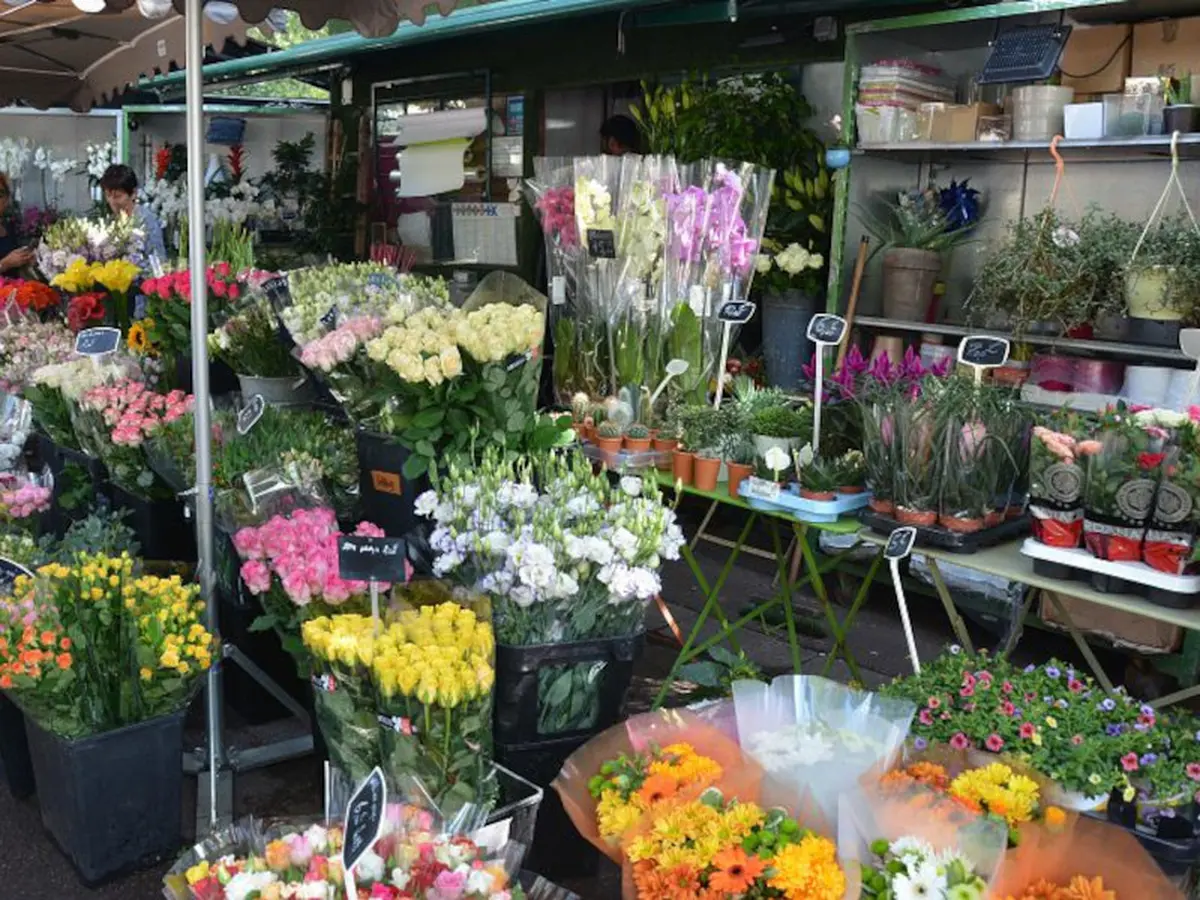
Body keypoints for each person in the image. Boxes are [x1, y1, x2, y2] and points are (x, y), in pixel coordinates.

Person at [100, 164, 167, 265]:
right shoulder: (111, 221)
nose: (112, 201)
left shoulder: (146, 220)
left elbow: (159, 261)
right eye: (108, 195)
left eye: (117, 196)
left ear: (134, 193)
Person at [0, 173, 32, 274]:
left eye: (0, 194)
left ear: (6, 199)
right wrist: (5, 264)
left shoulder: (9, 226)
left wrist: (26, 259)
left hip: (15, 288)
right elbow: (9, 262)